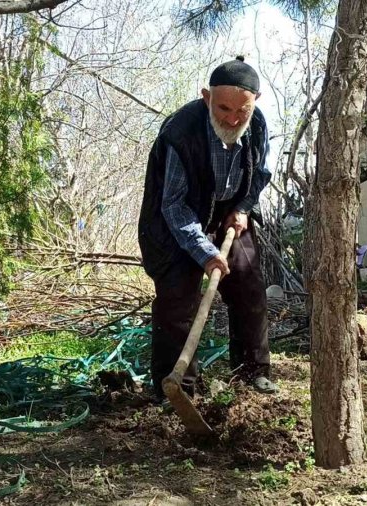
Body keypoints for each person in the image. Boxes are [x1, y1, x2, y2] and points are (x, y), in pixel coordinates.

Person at [138, 56, 277, 400]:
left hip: (229, 215)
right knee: (178, 299)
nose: (232, 119)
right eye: (223, 109)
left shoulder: (256, 125)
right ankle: (177, 388)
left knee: (249, 285)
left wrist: (243, 208)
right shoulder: (180, 134)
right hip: (177, 220)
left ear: (254, 103)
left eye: (241, 111)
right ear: (206, 97)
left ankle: (252, 371)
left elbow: (260, 174)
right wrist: (205, 253)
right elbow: (172, 204)